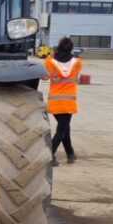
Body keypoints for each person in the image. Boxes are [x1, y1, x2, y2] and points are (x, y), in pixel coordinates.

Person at [43, 37, 82, 166]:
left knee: (65, 128)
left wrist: (51, 57)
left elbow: (44, 76)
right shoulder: (77, 62)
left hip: (55, 101)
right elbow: (77, 73)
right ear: (71, 48)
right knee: (62, 130)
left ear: (58, 47)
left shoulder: (50, 62)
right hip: (68, 102)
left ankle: (70, 153)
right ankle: (49, 155)